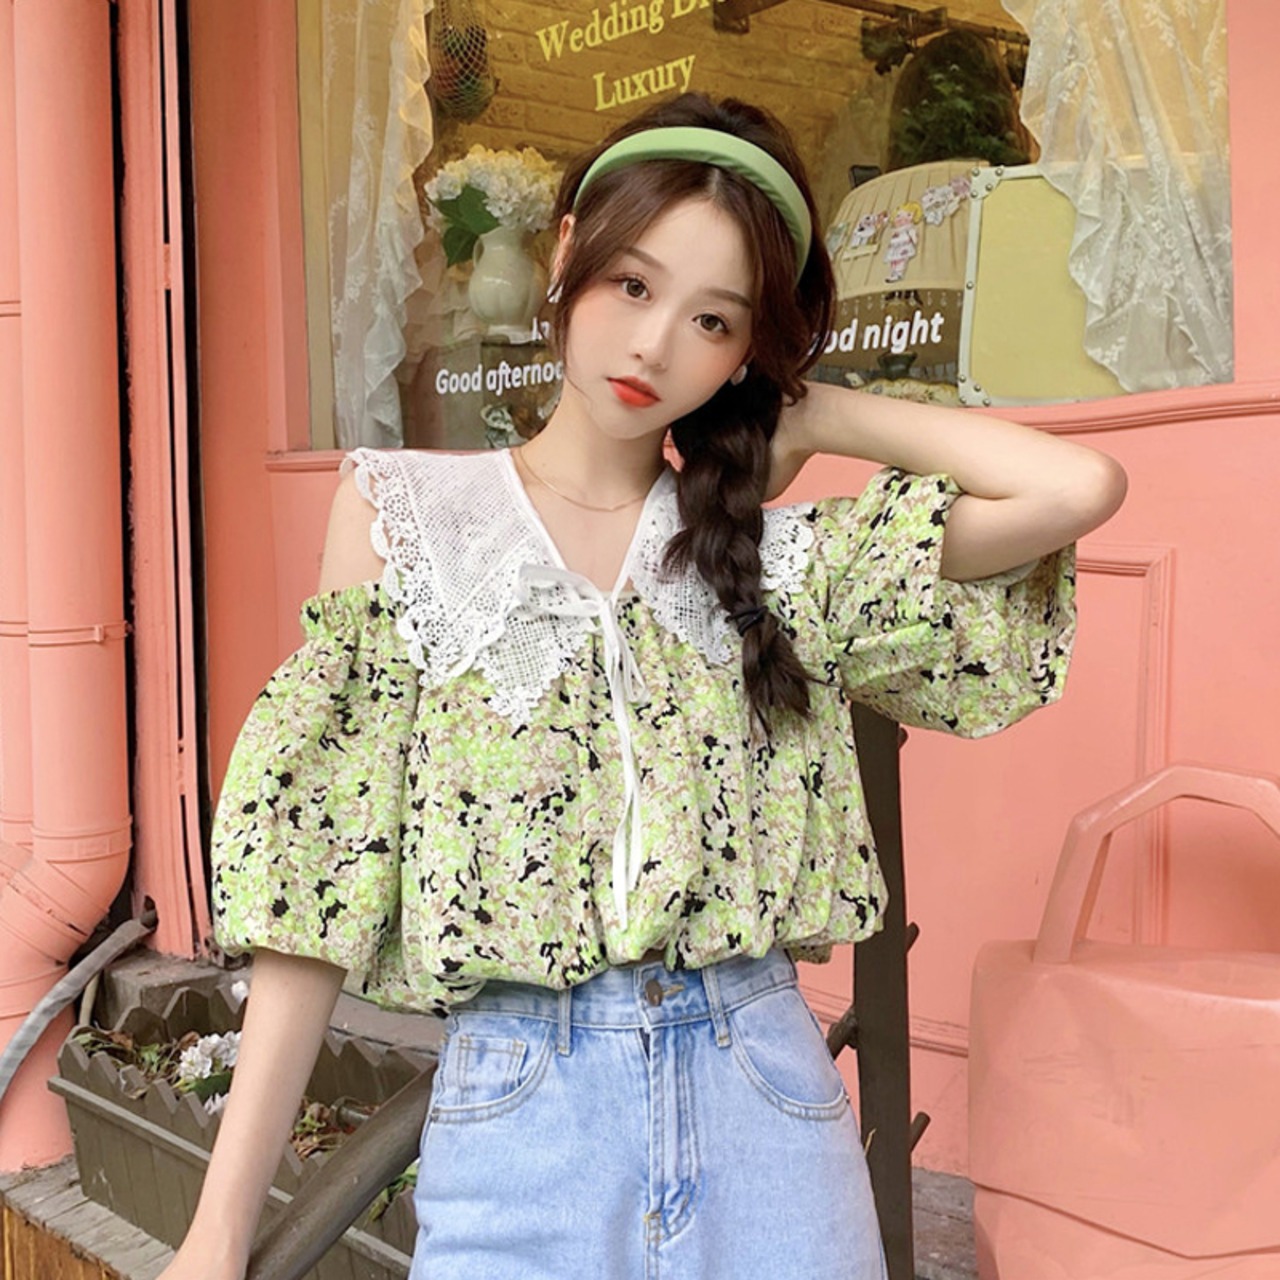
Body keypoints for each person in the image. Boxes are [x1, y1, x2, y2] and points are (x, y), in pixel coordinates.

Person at [160, 93, 1125, 1280]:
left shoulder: (770, 557)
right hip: (523, 1118)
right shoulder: (405, 518)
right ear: (566, 250)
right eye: (631, 284)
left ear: (745, 350)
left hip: (763, 1097)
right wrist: (217, 1232)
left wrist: (815, 410)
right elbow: (316, 893)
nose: (654, 345)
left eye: (711, 318)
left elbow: (1074, 488)